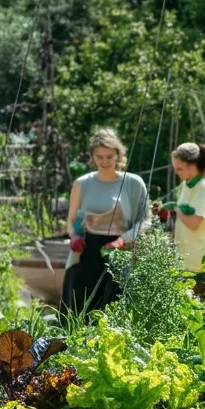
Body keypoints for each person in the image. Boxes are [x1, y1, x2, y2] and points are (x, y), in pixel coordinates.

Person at [61, 128, 149, 315]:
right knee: (78, 311)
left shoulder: (133, 184)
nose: (105, 161)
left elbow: (144, 221)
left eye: (109, 156)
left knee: (113, 310)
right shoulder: (82, 183)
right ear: (92, 156)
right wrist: (75, 236)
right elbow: (71, 220)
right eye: (99, 157)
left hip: (120, 252)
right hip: (87, 251)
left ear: (118, 155)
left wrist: (122, 240)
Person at [162, 142, 205, 297]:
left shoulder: (203, 187)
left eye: (180, 169)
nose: (177, 172)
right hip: (187, 258)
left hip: (200, 259)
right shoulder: (187, 185)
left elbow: (194, 223)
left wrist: (176, 209)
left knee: (198, 309)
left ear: (193, 165)